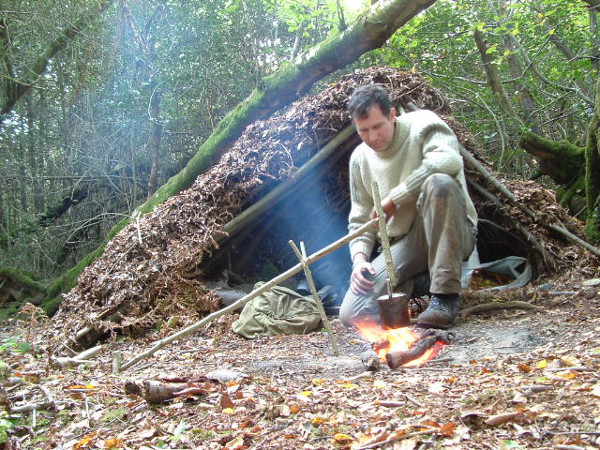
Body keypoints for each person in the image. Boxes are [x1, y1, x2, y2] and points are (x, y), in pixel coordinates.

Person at [339, 84, 478, 329]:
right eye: (364, 130)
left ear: (392, 115)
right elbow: (360, 219)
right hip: (404, 244)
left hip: (451, 230)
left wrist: (395, 198)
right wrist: (359, 259)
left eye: (378, 126)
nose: (373, 137)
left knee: (440, 183)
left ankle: (445, 298)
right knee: (352, 313)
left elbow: (447, 161)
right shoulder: (360, 158)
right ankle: (422, 281)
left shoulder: (423, 124)